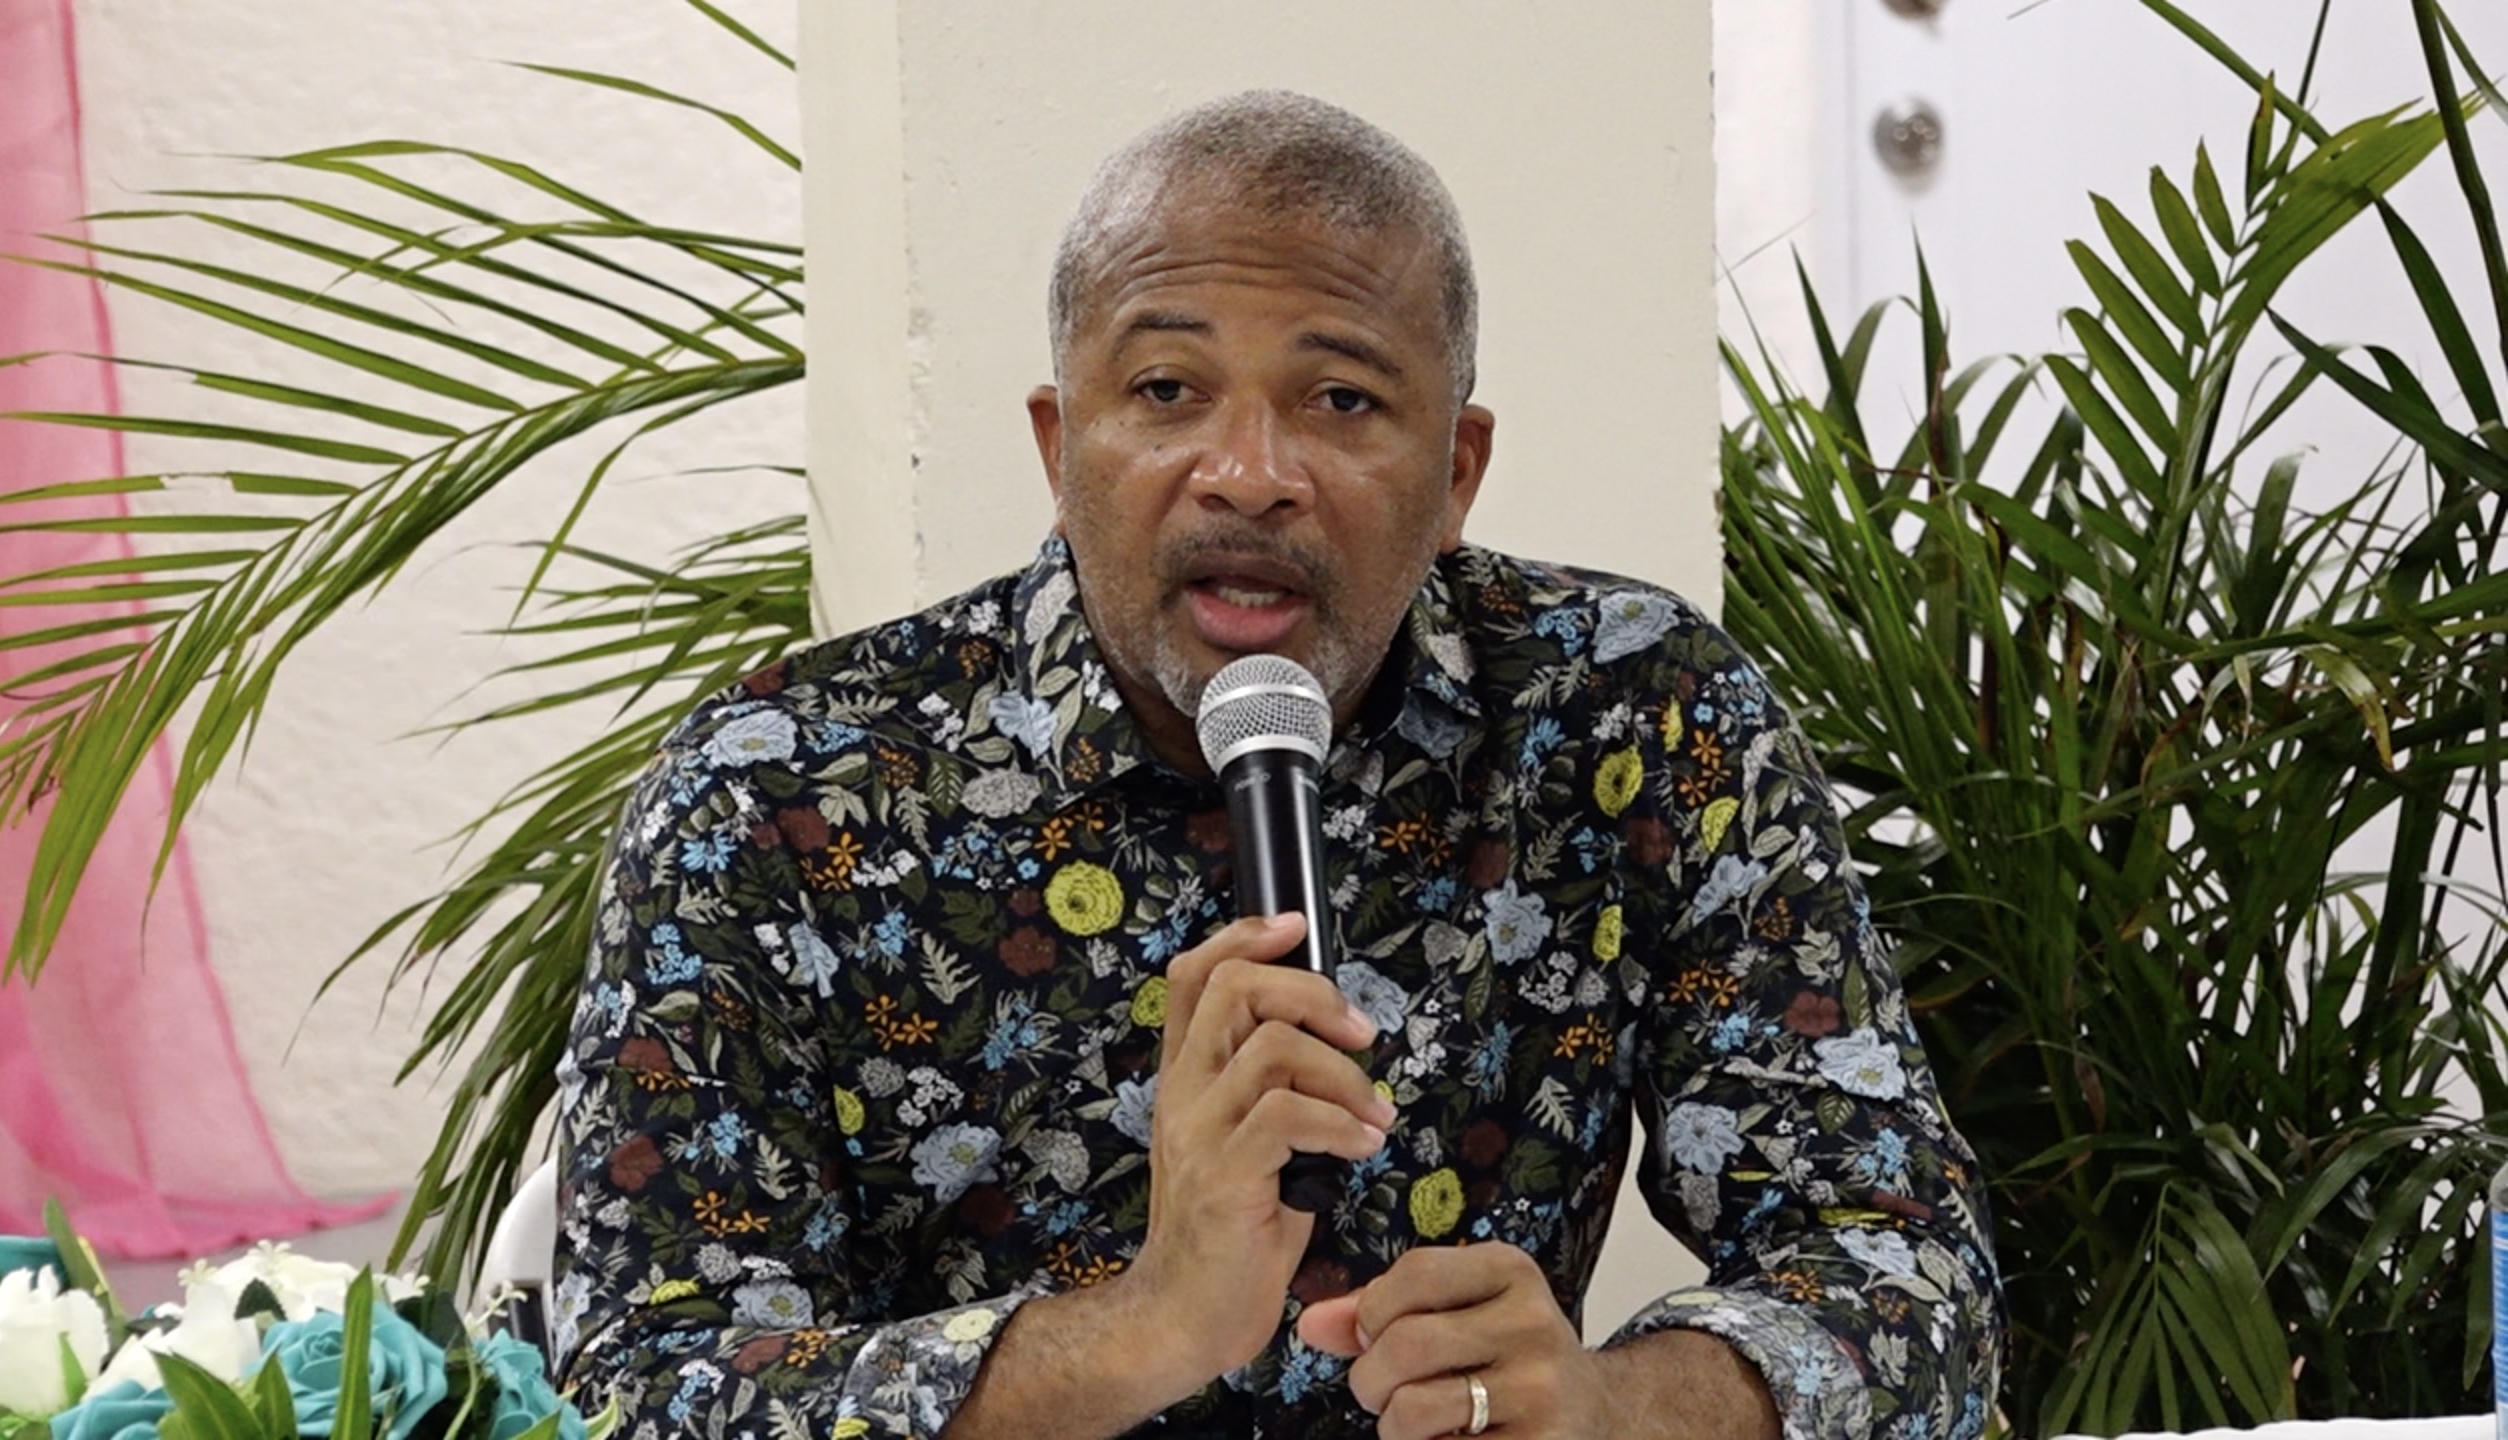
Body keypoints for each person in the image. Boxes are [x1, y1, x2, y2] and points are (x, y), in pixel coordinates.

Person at [552, 90, 2004, 1440]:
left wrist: (1615, 1407)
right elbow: (641, 1389)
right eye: (1170, 388)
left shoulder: (1632, 715)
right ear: (1061, 451)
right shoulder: (782, 787)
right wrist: (1141, 1328)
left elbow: (1911, 1268)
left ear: (1459, 475)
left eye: (1343, 402)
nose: (1249, 470)